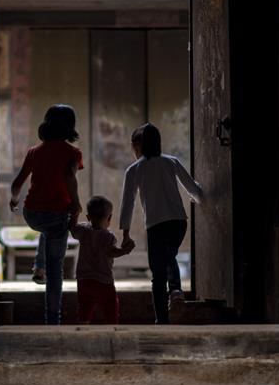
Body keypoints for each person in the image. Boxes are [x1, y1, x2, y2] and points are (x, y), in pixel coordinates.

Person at [118, 123, 204, 324]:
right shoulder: (171, 161)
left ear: (137, 146)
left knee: (158, 274)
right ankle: (175, 291)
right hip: (178, 222)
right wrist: (199, 200)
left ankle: (163, 317)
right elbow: (193, 189)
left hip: (156, 225)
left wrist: (125, 233)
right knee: (169, 255)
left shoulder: (134, 169)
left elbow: (127, 203)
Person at [10, 104, 84, 325]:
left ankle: (38, 267)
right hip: (57, 215)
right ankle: (53, 319)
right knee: (56, 269)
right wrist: (76, 204)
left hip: (31, 213)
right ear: (70, 126)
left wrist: (14, 200)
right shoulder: (73, 153)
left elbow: (17, 183)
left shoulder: (34, 152)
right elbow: (70, 178)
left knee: (48, 230)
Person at [70, 196, 135, 324]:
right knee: (110, 306)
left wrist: (75, 214)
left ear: (88, 217)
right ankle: (111, 326)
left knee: (84, 306)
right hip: (103, 280)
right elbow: (111, 252)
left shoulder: (83, 230)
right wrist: (124, 251)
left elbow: (72, 229)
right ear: (109, 218)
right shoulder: (108, 237)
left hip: (84, 279)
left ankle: (83, 323)